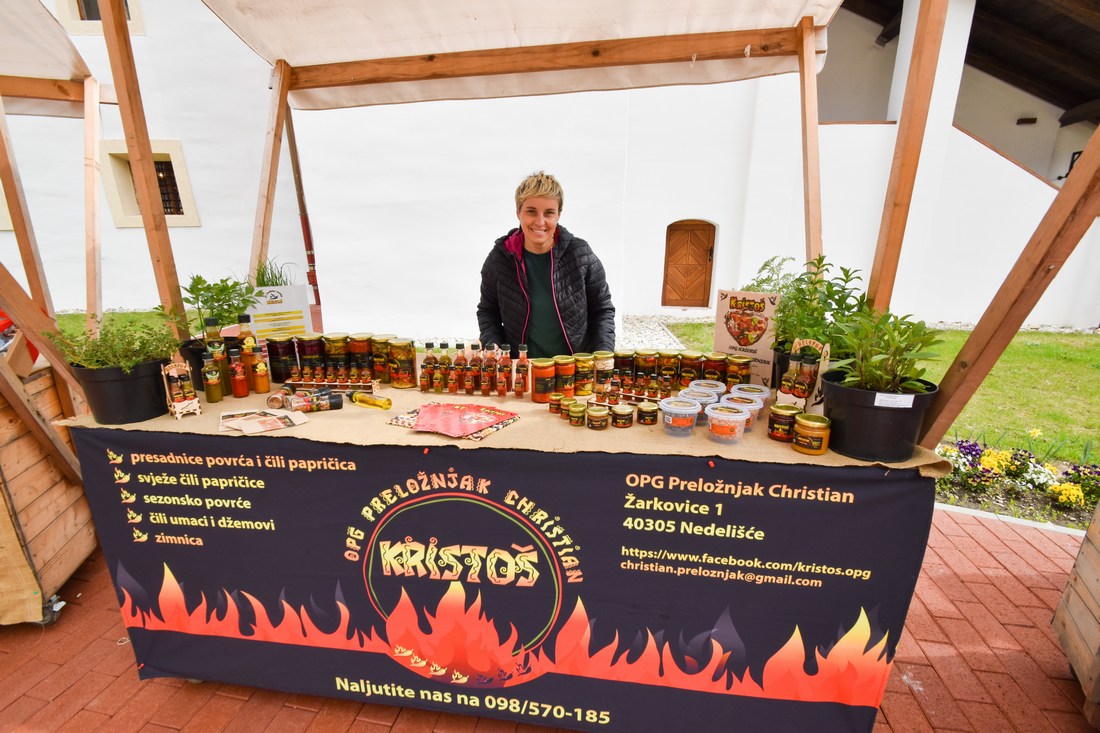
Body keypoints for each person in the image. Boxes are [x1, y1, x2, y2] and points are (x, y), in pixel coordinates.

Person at [477, 171, 615, 358]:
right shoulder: (499, 259)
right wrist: (492, 345)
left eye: (549, 213)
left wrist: (603, 356)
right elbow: (488, 311)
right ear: (518, 212)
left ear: (558, 215)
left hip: (575, 368)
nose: (540, 222)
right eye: (531, 211)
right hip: (522, 368)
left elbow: (602, 310)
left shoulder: (581, 254)